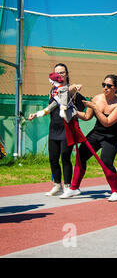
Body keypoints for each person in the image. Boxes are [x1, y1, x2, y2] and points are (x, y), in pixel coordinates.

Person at [60, 74, 117, 201]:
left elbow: (107, 122)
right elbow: (86, 116)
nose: (105, 88)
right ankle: (74, 188)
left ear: (116, 88)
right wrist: (72, 111)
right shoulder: (97, 98)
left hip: (113, 136)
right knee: (81, 156)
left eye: (109, 86)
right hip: (97, 133)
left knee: (106, 161)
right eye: (103, 85)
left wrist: (95, 107)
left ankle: (115, 192)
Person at [28, 63, 85, 196]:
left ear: (67, 74)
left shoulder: (70, 89)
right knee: (53, 158)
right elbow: (50, 108)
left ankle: (68, 186)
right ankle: (57, 185)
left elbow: (74, 91)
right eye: (56, 73)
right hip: (54, 127)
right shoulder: (53, 91)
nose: (59, 75)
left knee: (65, 157)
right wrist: (36, 114)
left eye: (62, 72)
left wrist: (76, 87)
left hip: (67, 128)